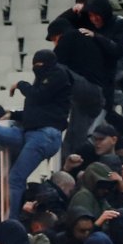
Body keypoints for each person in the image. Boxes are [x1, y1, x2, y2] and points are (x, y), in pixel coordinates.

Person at [0, 49, 72, 220]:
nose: (36, 68)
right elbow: (37, 111)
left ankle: (11, 222)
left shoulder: (58, 76)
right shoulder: (44, 81)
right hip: (31, 133)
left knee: (15, 178)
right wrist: (13, 115)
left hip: (43, 136)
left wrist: (21, 85)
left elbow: (39, 97)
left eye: (39, 65)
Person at [47, 17, 107, 159]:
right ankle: (74, 167)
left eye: (54, 40)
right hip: (95, 96)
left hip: (87, 90)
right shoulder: (86, 40)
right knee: (74, 138)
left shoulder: (68, 37)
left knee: (54, 69)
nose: (55, 44)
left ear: (58, 35)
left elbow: (52, 66)